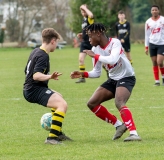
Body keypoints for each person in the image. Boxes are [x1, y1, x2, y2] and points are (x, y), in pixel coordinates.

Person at [70, 23, 141, 142]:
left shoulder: (115, 43)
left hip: (126, 77)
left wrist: (96, 56)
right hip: (113, 79)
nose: (88, 39)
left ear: (98, 34)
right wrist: (83, 74)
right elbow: (96, 72)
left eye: (90, 36)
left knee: (119, 102)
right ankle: (118, 125)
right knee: (92, 103)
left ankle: (134, 134)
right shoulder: (95, 49)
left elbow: (113, 59)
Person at [23, 28, 72, 145]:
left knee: (59, 97)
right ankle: (52, 138)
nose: (57, 45)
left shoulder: (35, 51)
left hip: (32, 87)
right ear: (53, 41)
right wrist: (49, 77)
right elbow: (36, 75)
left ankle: (58, 132)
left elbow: (26, 70)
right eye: (57, 42)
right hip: (33, 90)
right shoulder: (43, 55)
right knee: (62, 104)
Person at [145, 5, 164, 86]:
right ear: (151, 11)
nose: (154, 11)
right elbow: (147, 35)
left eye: (156, 10)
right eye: (153, 10)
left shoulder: (163, 19)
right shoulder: (148, 22)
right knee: (154, 62)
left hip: (162, 43)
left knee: (160, 62)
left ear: (158, 11)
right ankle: (157, 81)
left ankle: (163, 76)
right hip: (152, 43)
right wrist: (146, 46)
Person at [75, 4, 94, 83]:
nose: (83, 13)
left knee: (100, 60)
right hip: (84, 42)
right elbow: (86, 30)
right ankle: (82, 78)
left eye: (84, 11)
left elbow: (91, 15)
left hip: (92, 42)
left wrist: (85, 8)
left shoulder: (89, 18)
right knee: (81, 59)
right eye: (82, 11)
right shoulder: (83, 20)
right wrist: (81, 34)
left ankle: (109, 73)